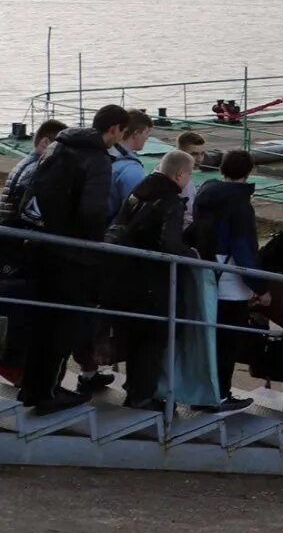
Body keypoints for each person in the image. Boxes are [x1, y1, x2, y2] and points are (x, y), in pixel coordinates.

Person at [18, 104, 128, 412]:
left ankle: (33, 387)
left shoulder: (59, 145)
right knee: (63, 324)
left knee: (42, 322)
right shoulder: (97, 159)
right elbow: (93, 211)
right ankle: (48, 392)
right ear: (114, 129)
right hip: (71, 254)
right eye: (121, 131)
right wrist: (94, 248)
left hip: (43, 243)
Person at [105, 150, 199, 412]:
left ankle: (134, 389)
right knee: (153, 339)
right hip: (152, 282)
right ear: (180, 173)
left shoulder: (139, 191)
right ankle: (143, 394)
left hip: (127, 274)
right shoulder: (170, 201)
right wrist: (189, 253)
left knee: (136, 337)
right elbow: (168, 244)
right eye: (190, 173)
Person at [192, 149, 264, 407]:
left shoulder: (204, 193)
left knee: (208, 337)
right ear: (248, 172)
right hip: (230, 280)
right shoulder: (240, 204)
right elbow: (243, 248)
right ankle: (221, 393)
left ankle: (202, 391)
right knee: (227, 341)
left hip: (205, 270)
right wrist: (260, 286)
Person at [106, 109, 153, 219]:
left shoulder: (104, 154)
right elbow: (136, 211)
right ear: (136, 133)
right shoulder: (131, 169)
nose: (147, 137)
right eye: (146, 132)